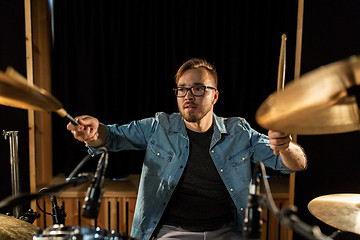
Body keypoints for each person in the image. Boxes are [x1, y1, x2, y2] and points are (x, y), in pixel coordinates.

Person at [67, 58, 307, 240]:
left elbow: (296, 164)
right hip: (171, 234)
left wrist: (286, 146)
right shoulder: (159, 126)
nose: (188, 95)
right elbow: (113, 137)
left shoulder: (239, 132)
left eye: (198, 88)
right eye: (182, 89)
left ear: (214, 97)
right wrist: (94, 133)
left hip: (224, 233)